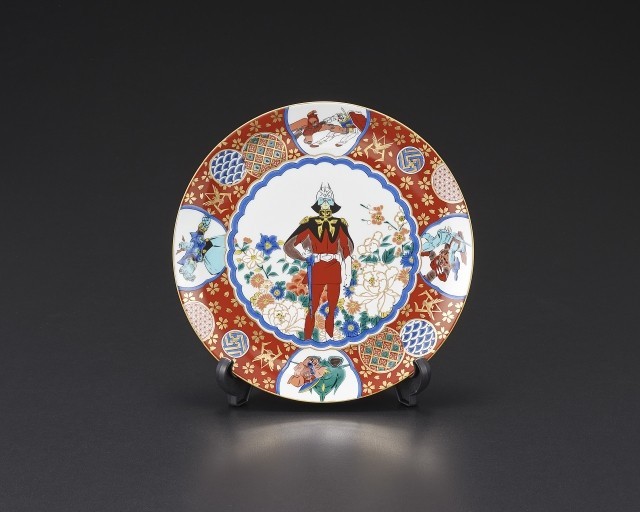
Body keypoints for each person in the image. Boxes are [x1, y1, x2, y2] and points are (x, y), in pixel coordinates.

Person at [283, 184, 353, 340]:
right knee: (312, 306)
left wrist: (348, 273)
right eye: (323, 200)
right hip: (317, 267)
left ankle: (330, 335)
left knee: (333, 305)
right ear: (318, 203)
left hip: (334, 268)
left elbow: (346, 249)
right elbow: (292, 243)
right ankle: (307, 337)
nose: (325, 204)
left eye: (328, 201)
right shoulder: (309, 223)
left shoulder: (340, 224)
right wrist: (305, 255)